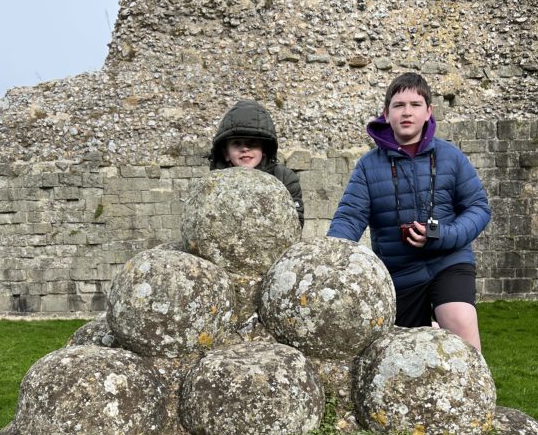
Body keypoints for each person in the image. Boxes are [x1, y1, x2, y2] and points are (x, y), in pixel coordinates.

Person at [327, 72, 490, 351]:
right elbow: (349, 218)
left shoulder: (451, 157)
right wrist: (328, 258)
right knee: (403, 353)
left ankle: (481, 395)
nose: (407, 112)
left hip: (448, 260)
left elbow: (479, 208)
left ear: (428, 112)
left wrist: (440, 233)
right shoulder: (368, 166)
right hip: (399, 273)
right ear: (386, 114)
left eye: (415, 105)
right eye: (399, 105)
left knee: (461, 324)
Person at [209, 100, 304, 227]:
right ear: (226, 153)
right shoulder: (213, 183)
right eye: (237, 143)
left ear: (264, 150)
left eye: (252, 143)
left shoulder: (285, 178)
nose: (245, 149)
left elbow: (296, 221)